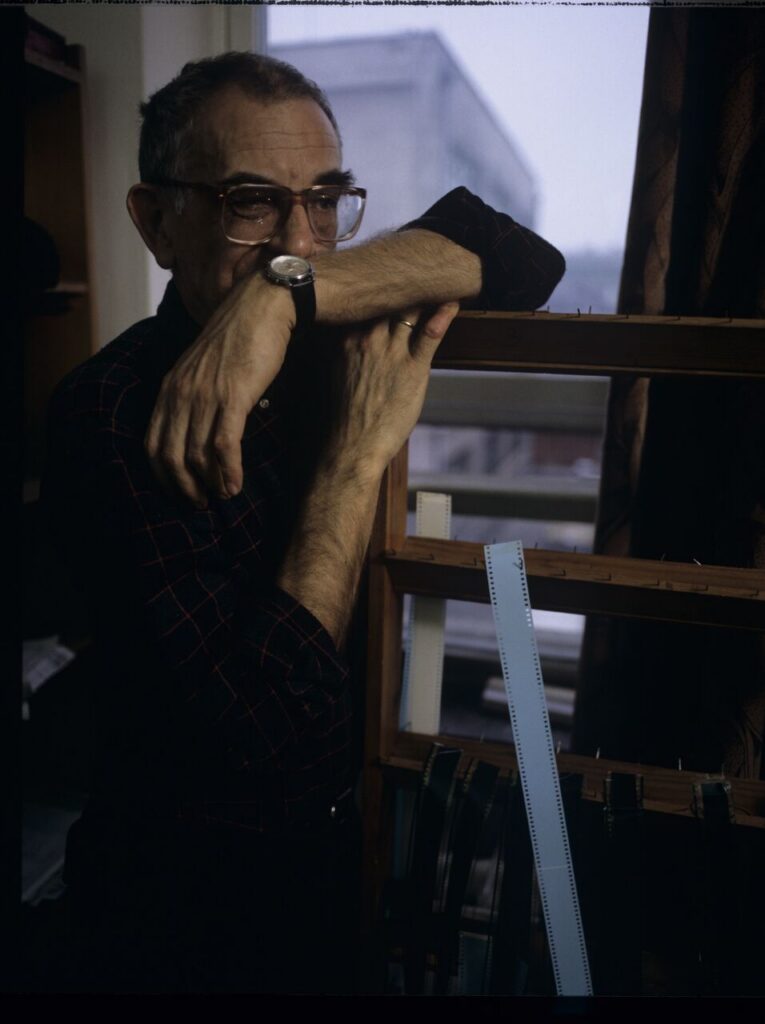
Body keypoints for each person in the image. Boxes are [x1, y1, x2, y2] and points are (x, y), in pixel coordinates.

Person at [40, 52, 564, 993]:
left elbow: (524, 256)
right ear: (156, 221)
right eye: (252, 201)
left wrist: (281, 294)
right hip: (175, 918)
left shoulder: (312, 321)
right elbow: (265, 749)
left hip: (337, 868)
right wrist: (354, 459)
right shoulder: (108, 413)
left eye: (324, 200)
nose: (302, 238)